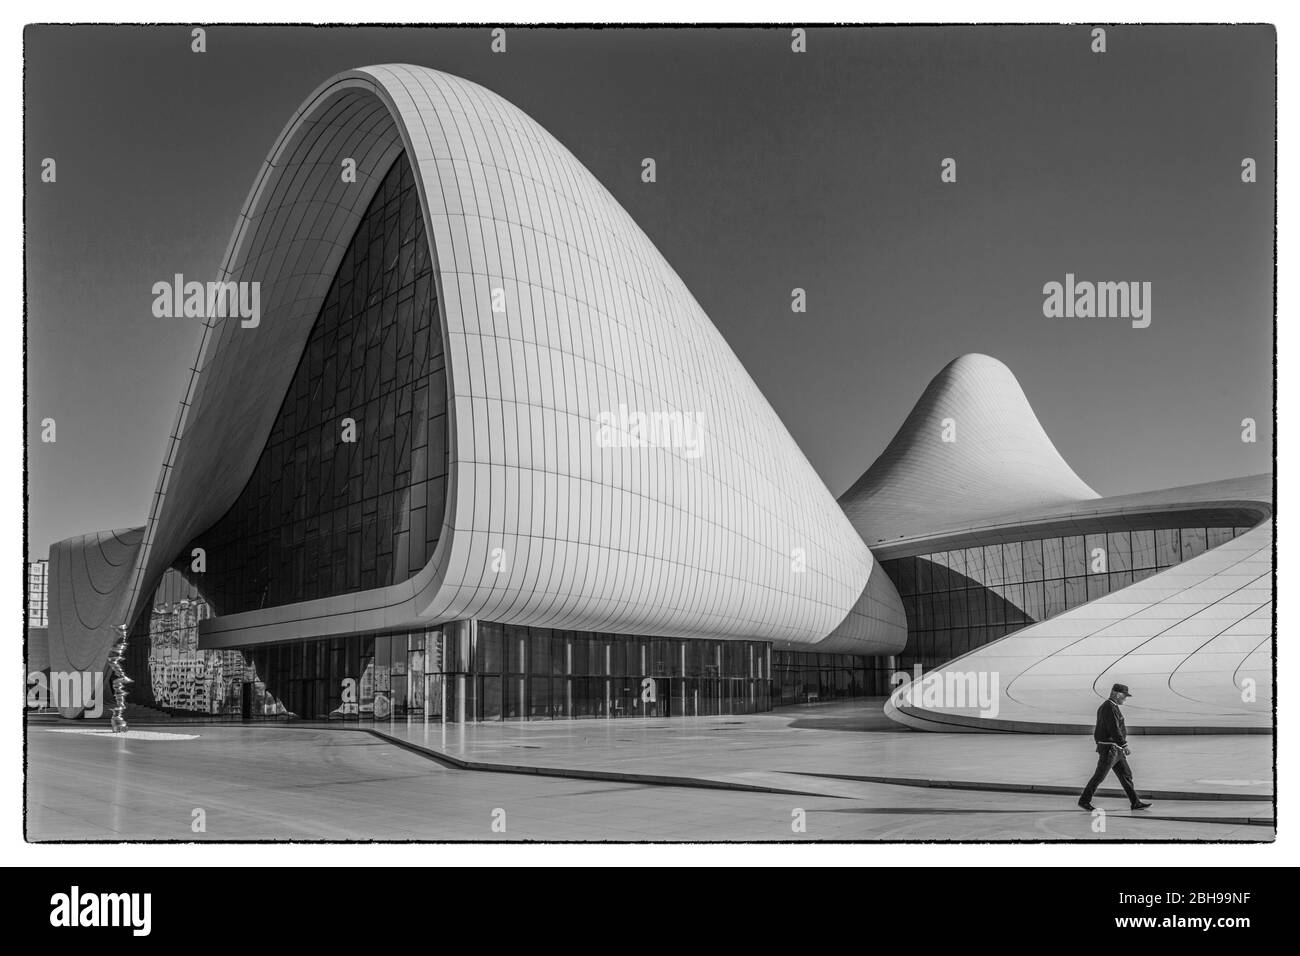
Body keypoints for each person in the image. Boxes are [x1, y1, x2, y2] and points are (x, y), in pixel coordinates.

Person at [1078, 683, 1152, 811]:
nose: (1125, 699)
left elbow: (1103, 729)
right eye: (1124, 695)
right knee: (1099, 776)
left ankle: (1135, 802)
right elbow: (1113, 728)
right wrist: (1124, 744)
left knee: (1126, 775)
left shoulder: (1111, 707)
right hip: (1110, 749)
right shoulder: (1109, 707)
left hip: (1115, 749)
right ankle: (1084, 800)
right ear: (1116, 694)